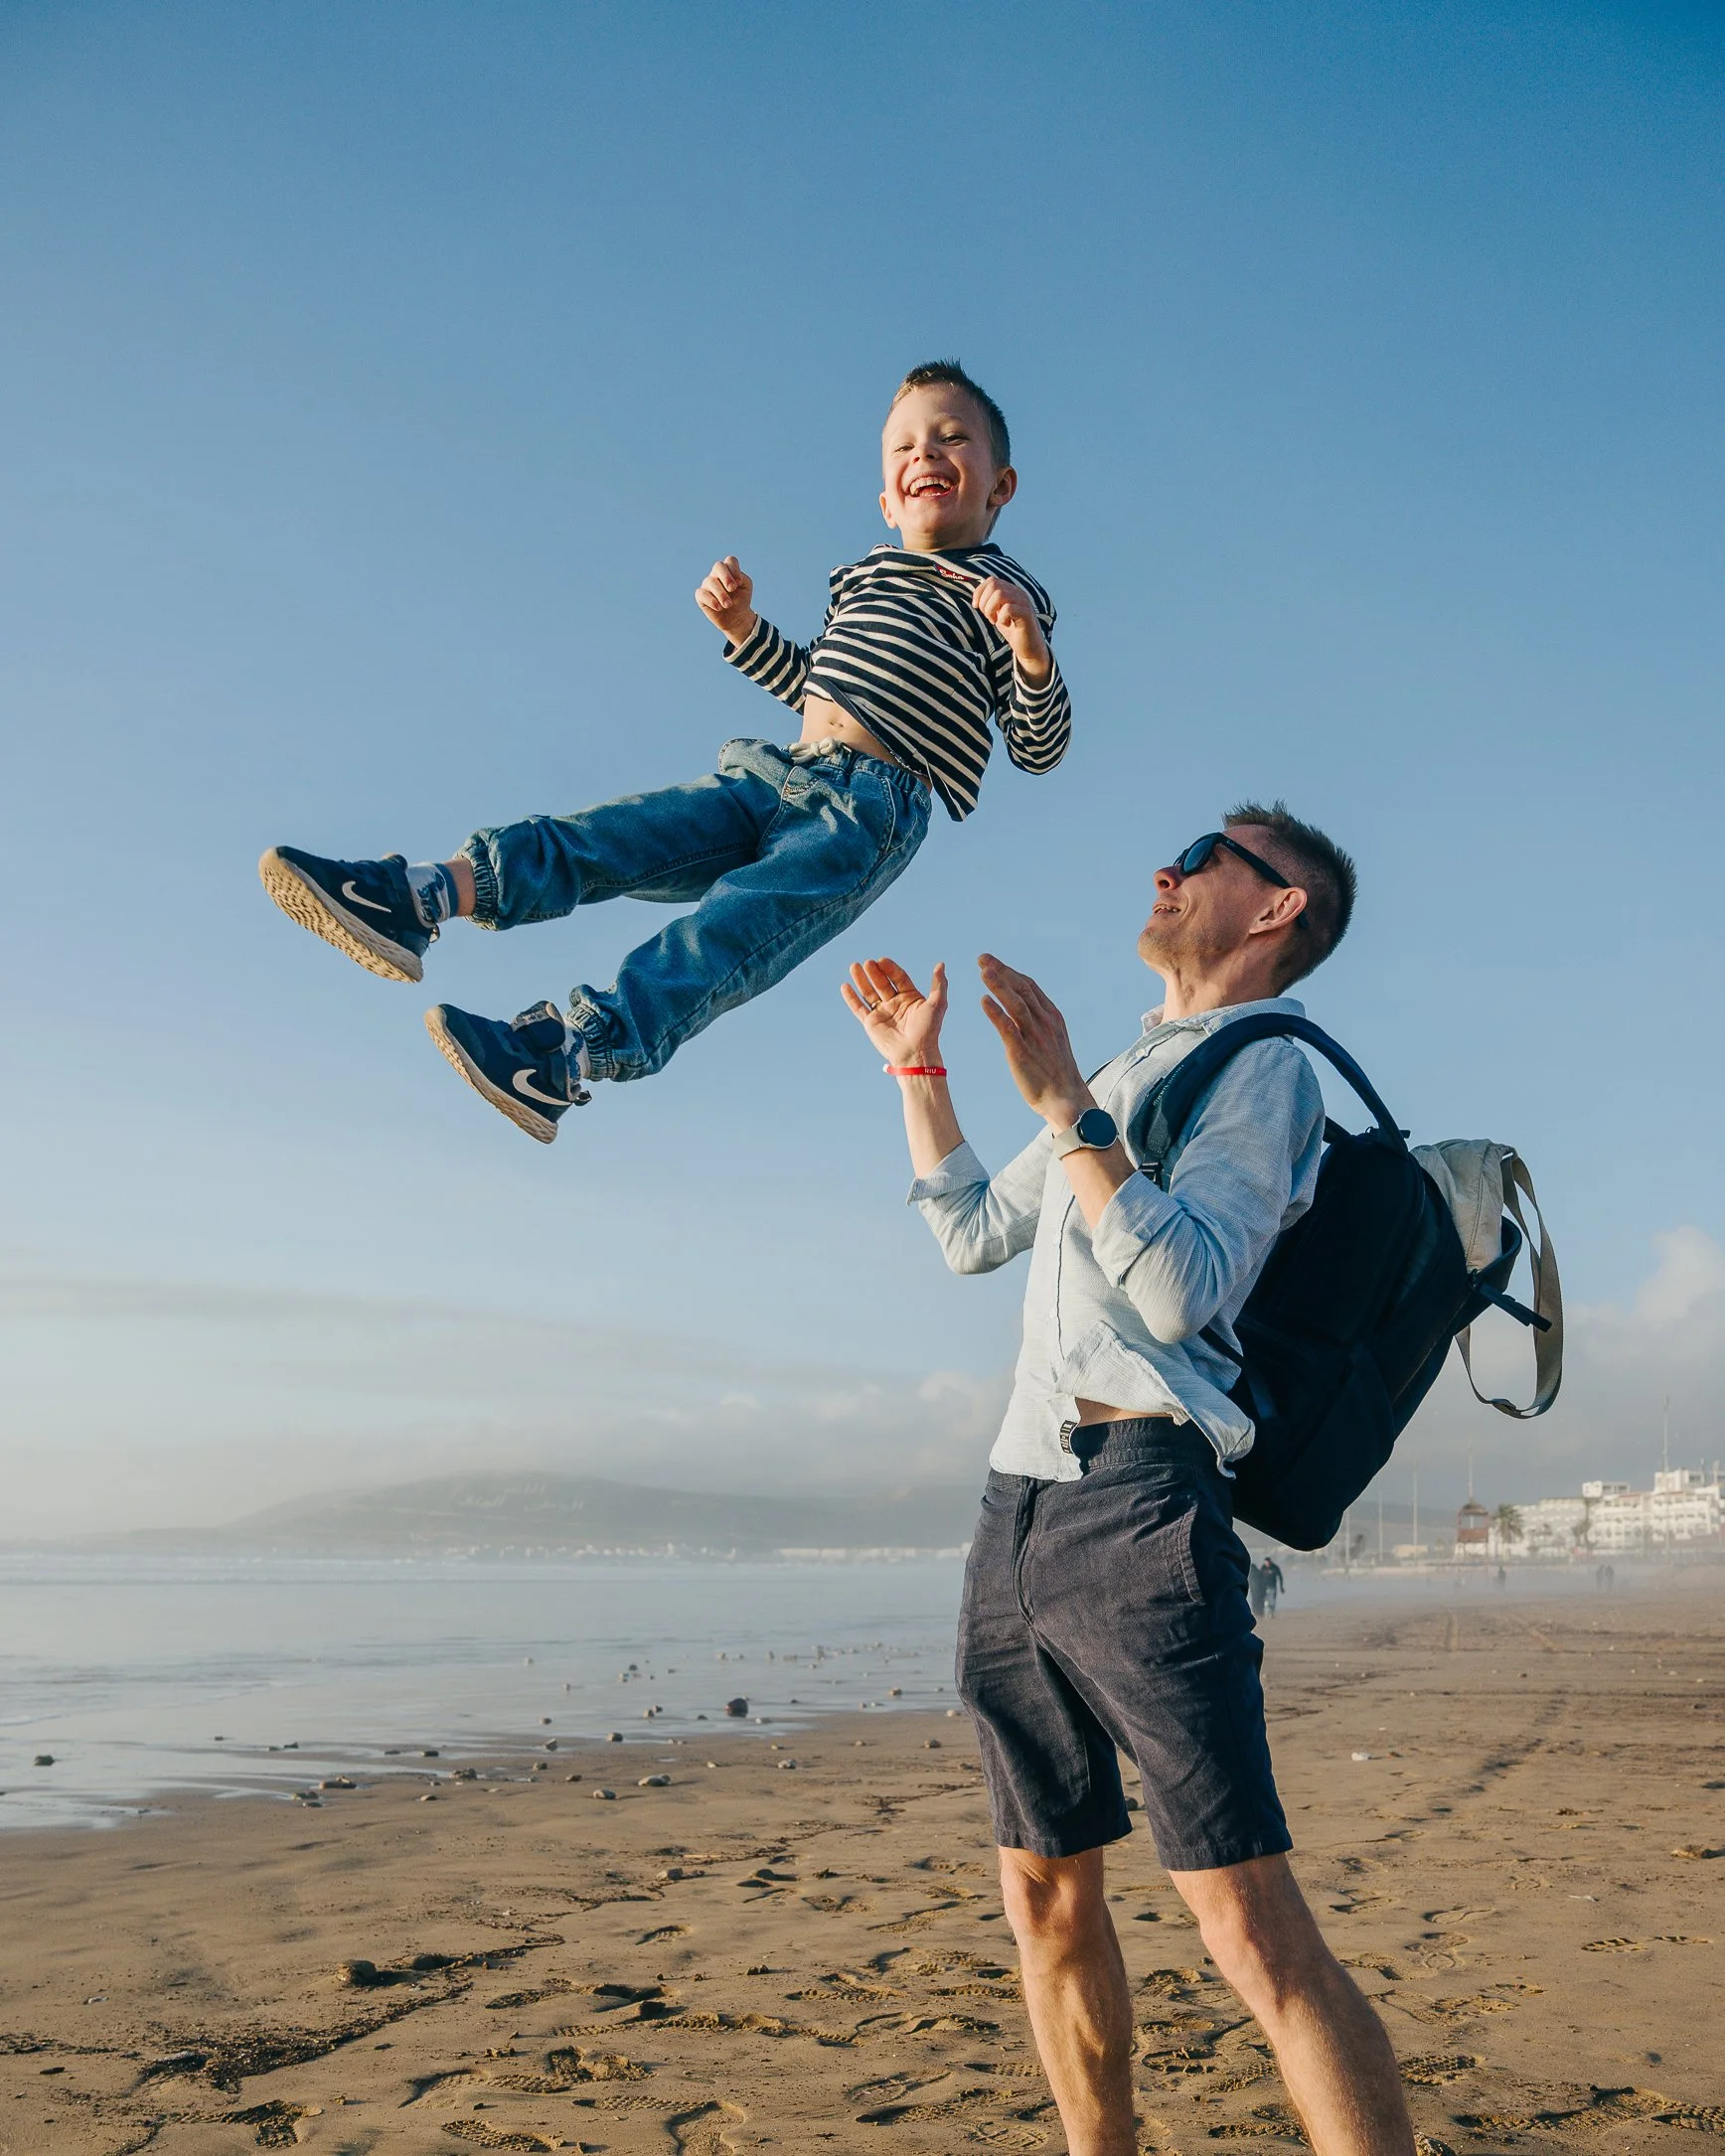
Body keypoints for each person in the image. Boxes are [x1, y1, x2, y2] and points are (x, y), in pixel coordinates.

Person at [844, 804, 1415, 2156]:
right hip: (1017, 1506)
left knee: (1245, 1921)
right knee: (1043, 1897)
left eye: (1206, 853)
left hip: (1144, 1501)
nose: (1169, 867)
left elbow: (1180, 1288)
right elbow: (973, 1232)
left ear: (1274, 907)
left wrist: (1067, 1105)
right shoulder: (1124, 1064)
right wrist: (919, 1071)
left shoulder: (1265, 1072)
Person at [258, 361, 1070, 1142]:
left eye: (952, 438)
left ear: (1000, 485)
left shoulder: (1005, 596)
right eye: (904, 445)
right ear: (887, 501)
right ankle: (423, 895)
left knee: (723, 933)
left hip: (865, 814)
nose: (926, 453)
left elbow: (1039, 747)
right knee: (612, 834)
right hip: (775, 773)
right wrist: (745, 631)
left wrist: (1031, 656)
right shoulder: (860, 578)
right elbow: (816, 687)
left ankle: (564, 1056)